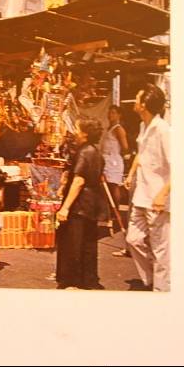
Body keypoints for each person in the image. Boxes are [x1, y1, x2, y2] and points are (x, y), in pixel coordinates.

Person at [124, 84, 170, 292]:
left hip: (157, 199)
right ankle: (151, 279)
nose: (134, 102)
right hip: (141, 196)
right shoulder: (144, 126)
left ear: (144, 105)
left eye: (136, 99)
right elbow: (141, 155)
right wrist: (132, 174)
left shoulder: (164, 130)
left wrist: (162, 194)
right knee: (133, 239)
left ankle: (162, 291)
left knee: (162, 249)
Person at [55, 117, 105, 290]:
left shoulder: (84, 152)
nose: (74, 132)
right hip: (92, 204)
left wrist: (65, 207)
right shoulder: (95, 151)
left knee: (74, 243)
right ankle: (88, 279)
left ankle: (73, 281)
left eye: (77, 128)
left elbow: (79, 181)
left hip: (80, 204)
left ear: (84, 133)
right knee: (89, 244)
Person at [100, 105, 131, 257]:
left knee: (113, 187)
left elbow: (125, 146)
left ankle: (115, 212)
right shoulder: (108, 129)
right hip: (105, 160)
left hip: (113, 161)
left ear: (118, 115)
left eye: (113, 113)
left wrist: (120, 156)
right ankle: (107, 215)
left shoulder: (119, 129)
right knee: (105, 188)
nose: (110, 115)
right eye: (109, 112)